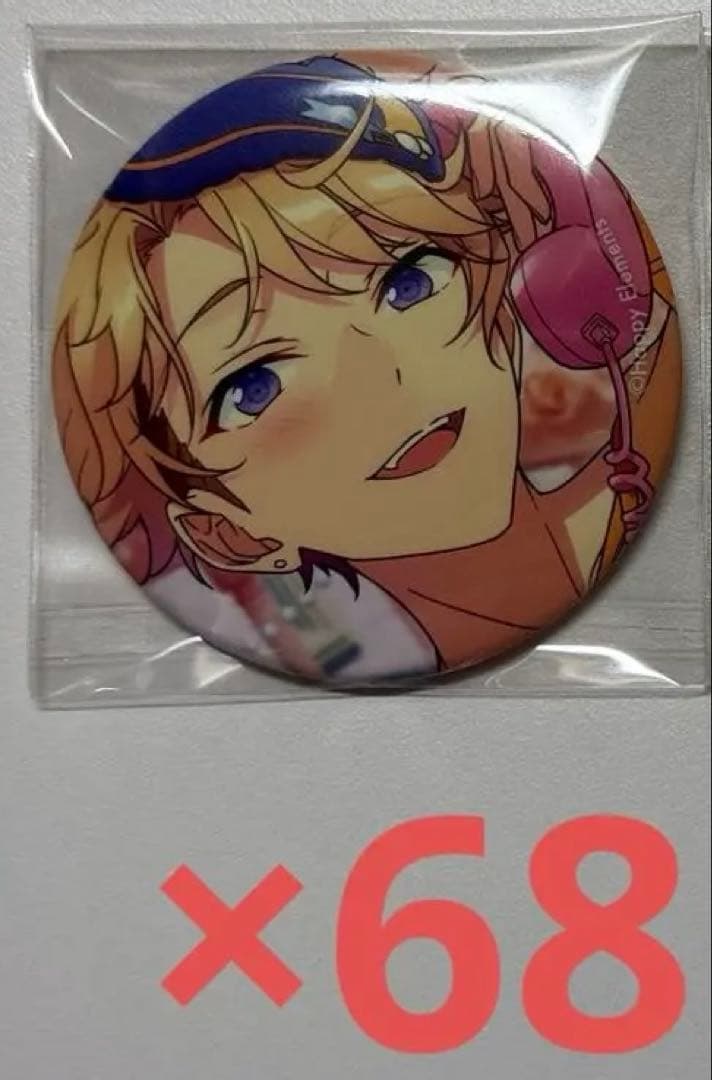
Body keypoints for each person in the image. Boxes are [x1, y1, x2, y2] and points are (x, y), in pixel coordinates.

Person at [53, 53, 681, 674]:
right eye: (255, 386)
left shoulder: (621, 466)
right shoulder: (336, 644)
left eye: (409, 283)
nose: (381, 376)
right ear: (229, 534)